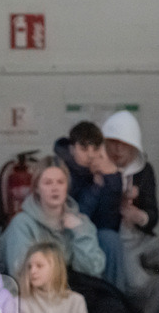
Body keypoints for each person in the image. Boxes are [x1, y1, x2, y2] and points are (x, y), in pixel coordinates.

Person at [101, 110, 159, 313]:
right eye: (113, 142)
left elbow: (154, 215)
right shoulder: (100, 171)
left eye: (123, 144)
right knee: (136, 284)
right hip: (118, 239)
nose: (117, 149)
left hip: (142, 236)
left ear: (134, 145)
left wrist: (140, 216)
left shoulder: (144, 170)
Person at [0, 157, 106, 281]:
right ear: (37, 188)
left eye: (60, 182)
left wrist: (80, 233)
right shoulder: (22, 224)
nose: (55, 188)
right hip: (37, 294)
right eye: (48, 183)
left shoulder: (81, 222)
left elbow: (93, 270)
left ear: (67, 187)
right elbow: (21, 273)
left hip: (77, 293)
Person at [52, 121, 125, 288]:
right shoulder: (60, 169)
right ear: (72, 148)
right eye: (84, 149)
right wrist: (96, 188)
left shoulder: (98, 172)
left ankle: (117, 301)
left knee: (111, 239)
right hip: (65, 232)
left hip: (92, 231)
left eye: (95, 149)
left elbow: (109, 222)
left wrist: (112, 178)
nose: (91, 155)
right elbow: (76, 215)